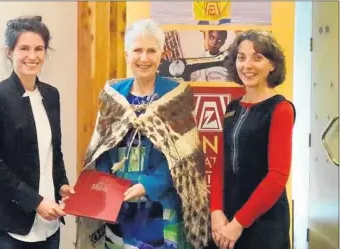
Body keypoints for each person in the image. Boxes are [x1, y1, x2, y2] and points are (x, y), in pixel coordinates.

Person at [74, 19, 210, 249]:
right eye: (137, 50)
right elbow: (102, 149)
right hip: (118, 207)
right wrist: (108, 185)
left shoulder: (175, 96)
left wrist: (148, 185)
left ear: (161, 54)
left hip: (160, 205)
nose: (144, 58)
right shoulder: (113, 95)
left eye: (151, 51)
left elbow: (184, 158)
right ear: (127, 54)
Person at [0, 16, 74, 249]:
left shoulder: (51, 95)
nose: (32, 56)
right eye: (24, 48)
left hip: (49, 224)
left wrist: (62, 184)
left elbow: (53, 151)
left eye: (39, 48)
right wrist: (36, 202)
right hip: (8, 226)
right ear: (10, 52)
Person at [210, 30, 295, 249]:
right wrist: (216, 211)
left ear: (272, 65)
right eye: (241, 57)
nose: (247, 65)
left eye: (257, 58)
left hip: (264, 223)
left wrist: (238, 224)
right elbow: (220, 164)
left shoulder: (280, 109)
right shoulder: (232, 108)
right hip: (226, 218)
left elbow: (277, 177)